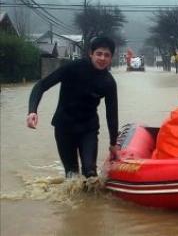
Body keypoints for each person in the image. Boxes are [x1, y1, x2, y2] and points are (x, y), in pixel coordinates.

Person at [27, 36, 119, 178]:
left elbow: (112, 114)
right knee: (72, 175)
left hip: (89, 129)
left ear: (111, 58)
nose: (102, 58)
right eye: (99, 53)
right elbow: (41, 85)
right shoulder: (73, 67)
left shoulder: (108, 82)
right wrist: (32, 111)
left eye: (107, 55)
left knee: (90, 173)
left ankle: (88, 198)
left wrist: (113, 143)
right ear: (91, 53)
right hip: (64, 128)